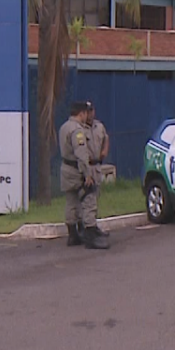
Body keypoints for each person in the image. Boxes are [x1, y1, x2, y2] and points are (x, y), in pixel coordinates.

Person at [59, 102, 107, 250]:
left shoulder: (64, 127)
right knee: (89, 199)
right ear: (81, 113)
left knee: (71, 201)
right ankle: (90, 236)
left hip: (66, 169)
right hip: (76, 170)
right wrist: (87, 175)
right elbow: (81, 155)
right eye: (86, 113)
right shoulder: (77, 130)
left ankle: (73, 235)